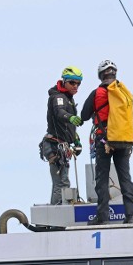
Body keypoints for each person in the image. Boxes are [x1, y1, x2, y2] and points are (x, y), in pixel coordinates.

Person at [80, 59, 133, 224]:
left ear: (100, 76)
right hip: (124, 141)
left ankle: (103, 217)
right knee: (125, 178)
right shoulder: (126, 93)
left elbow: (84, 115)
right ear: (115, 74)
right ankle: (131, 216)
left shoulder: (97, 93)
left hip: (104, 140)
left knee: (102, 179)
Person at [41, 66, 84, 205]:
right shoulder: (58, 97)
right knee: (61, 183)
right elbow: (59, 113)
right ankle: (56, 213)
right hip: (54, 145)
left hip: (62, 145)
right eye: (72, 82)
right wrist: (70, 117)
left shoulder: (68, 98)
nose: (75, 86)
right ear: (64, 81)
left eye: (78, 83)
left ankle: (57, 210)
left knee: (62, 182)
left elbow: (66, 127)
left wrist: (75, 139)